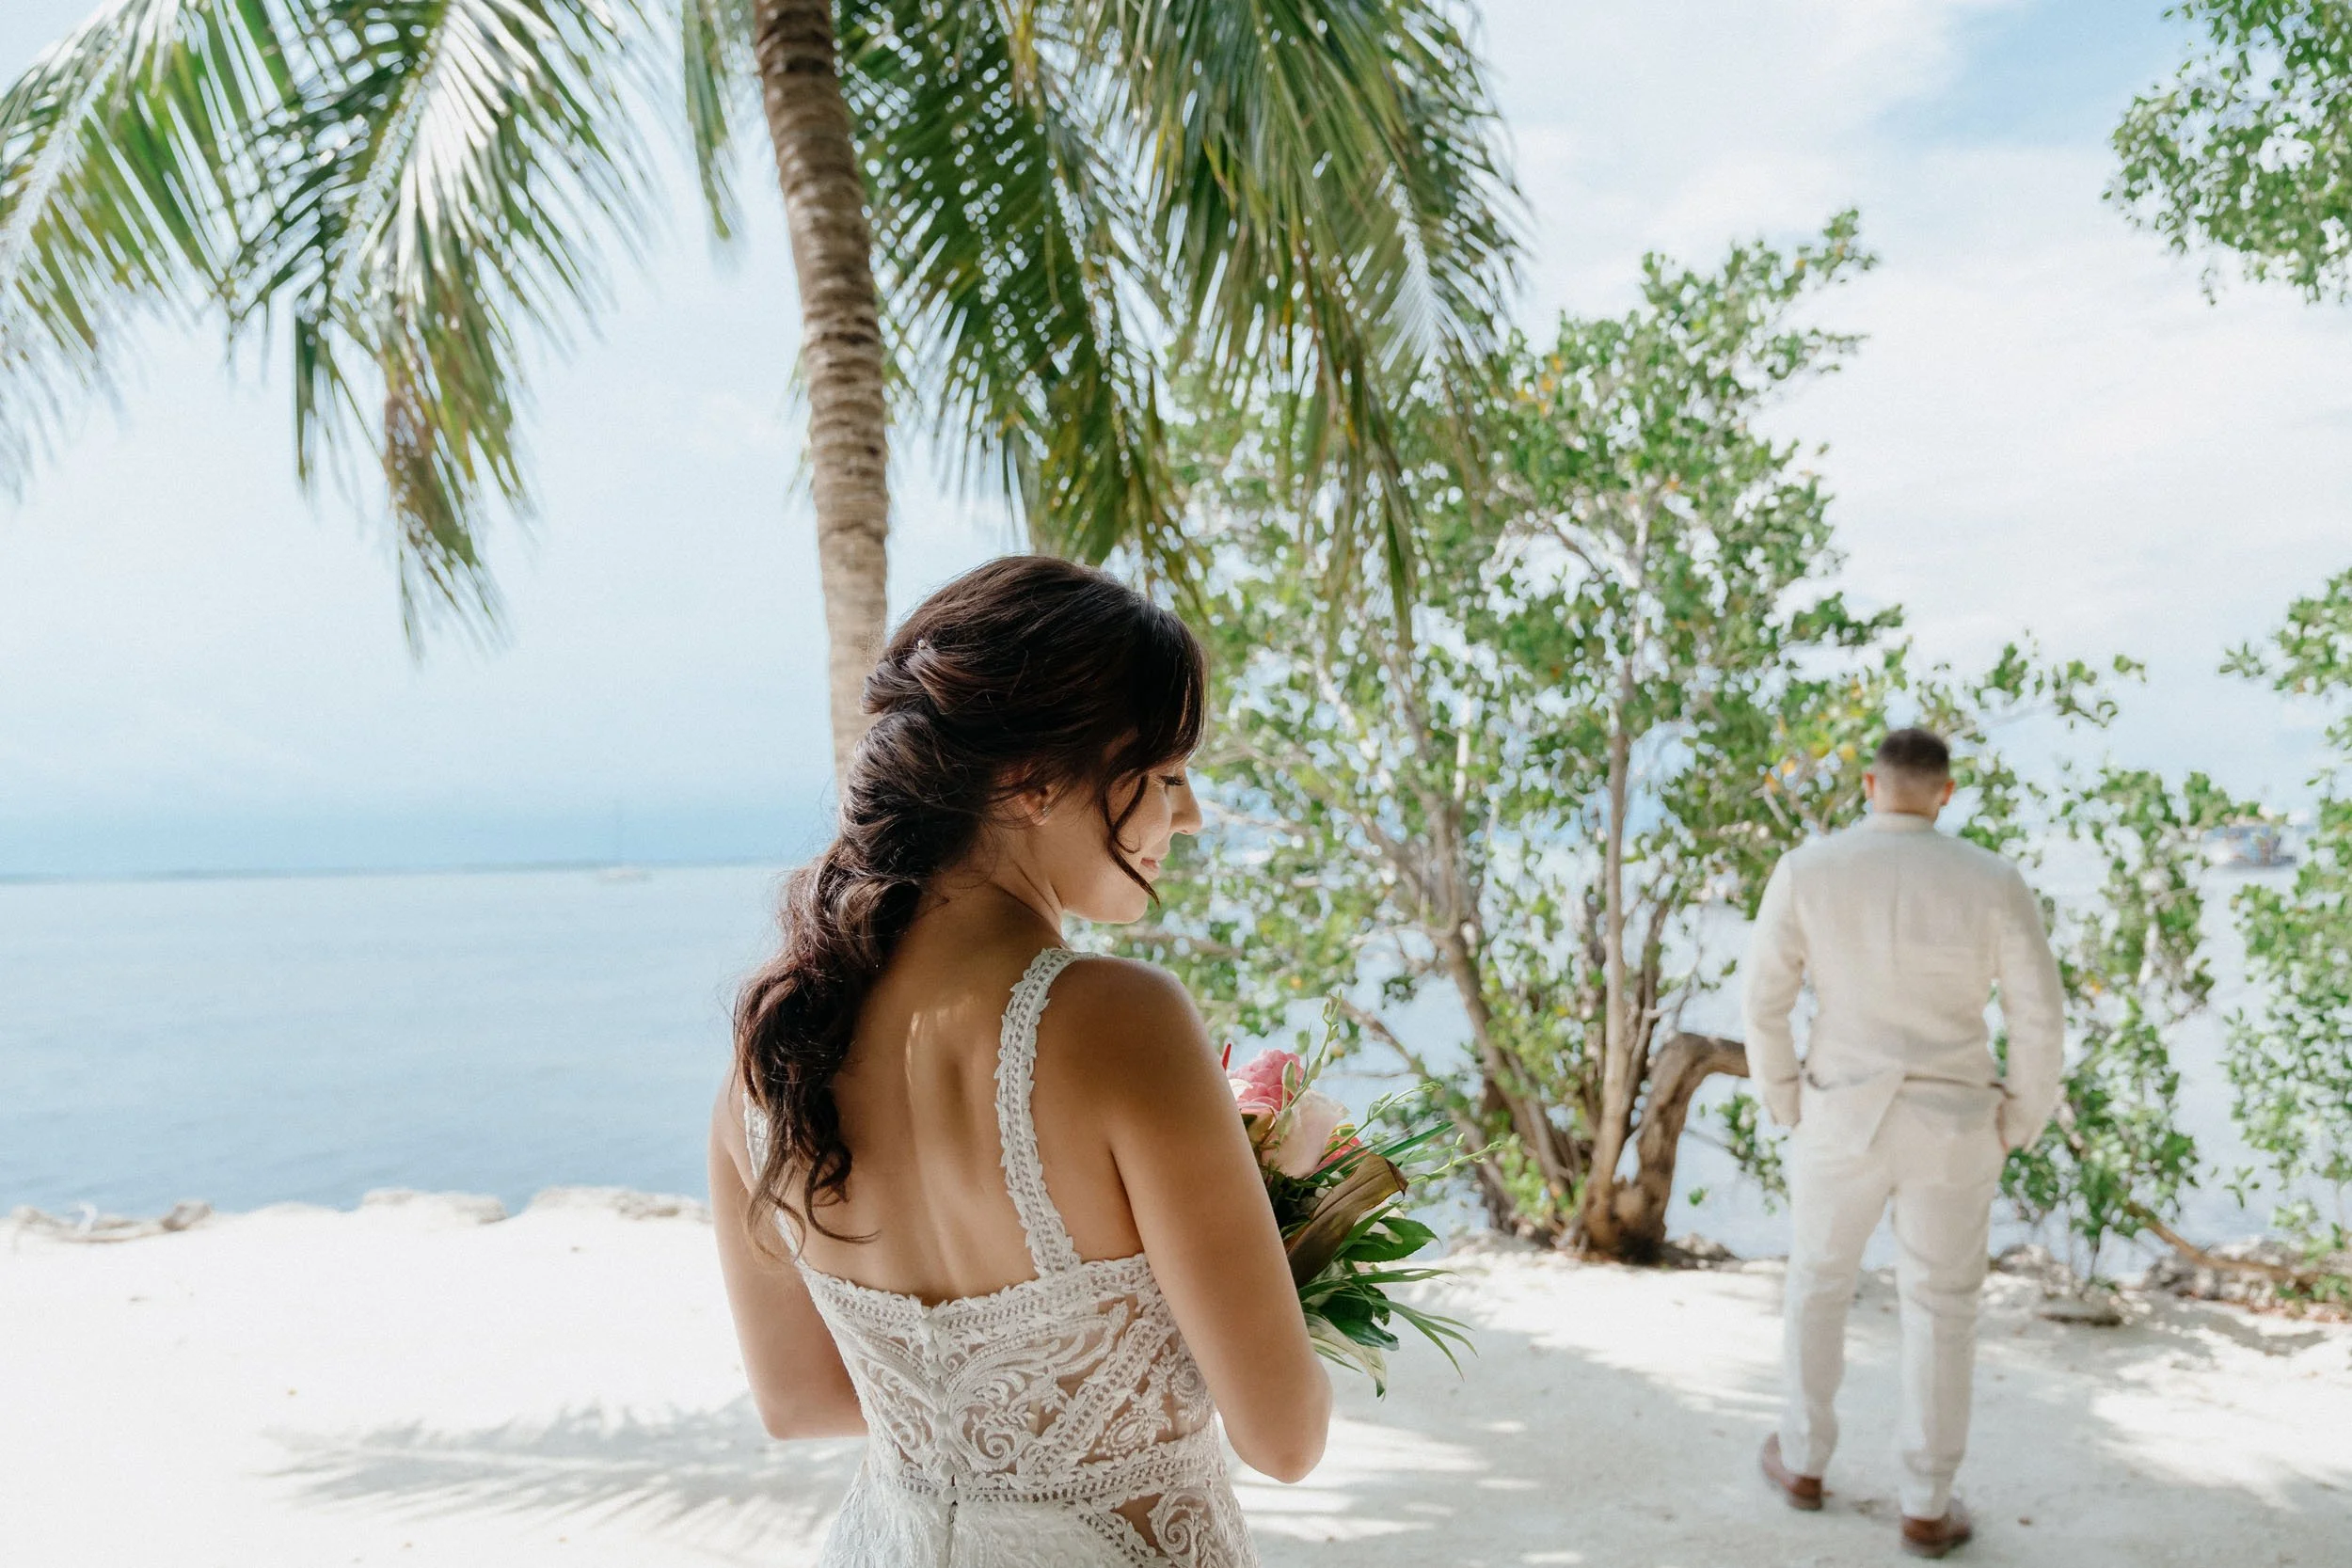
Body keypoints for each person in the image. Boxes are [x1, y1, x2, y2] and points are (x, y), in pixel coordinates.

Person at [708, 556, 1330, 1568]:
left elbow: (801, 1400)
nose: (1192, 814)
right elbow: (1286, 1434)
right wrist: (1279, 1212)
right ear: (1028, 779)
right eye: (1166, 774)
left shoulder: (769, 1058)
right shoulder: (1118, 1022)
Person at [1741, 727, 2065, 1560]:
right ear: (1946, 792)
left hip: (1839, 1116)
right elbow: (2039, 1015)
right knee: (1943, 1306)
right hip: (1956, 1125)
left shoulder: (1809, 868)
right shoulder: (1992, 878)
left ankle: (1805, 1461)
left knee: (1817, 1284)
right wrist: (2020, 1118)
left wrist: (1783, 1097)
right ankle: (1925, 1501)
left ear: (1868, 784)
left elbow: (1764, 1000)